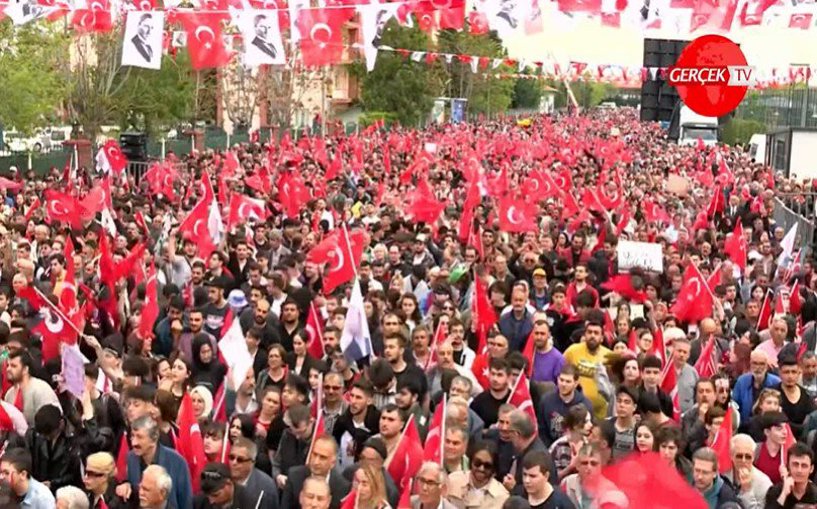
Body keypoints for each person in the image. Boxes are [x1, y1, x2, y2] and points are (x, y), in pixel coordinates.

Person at [122, 416, 193, 509]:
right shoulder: (131, 458)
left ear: (154, 439)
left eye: (139, 437)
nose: (134, 443)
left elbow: (186, 503)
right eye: (132, 436)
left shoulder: (177, 462)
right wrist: (126, 484)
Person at [281, 435, 351, 509]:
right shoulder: (294, 477)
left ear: (332, 463)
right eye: (314, 454)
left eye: (322, 457)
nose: (316, 462)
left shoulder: (343, 487)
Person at [563, 319, 611, 420]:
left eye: (596, 333)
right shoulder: (572, 351)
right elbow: (562, 372)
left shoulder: (609, 356)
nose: (592, 335)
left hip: (601, 413)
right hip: (576, 409)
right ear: (585, 335)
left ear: (602, 338)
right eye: (589, 332)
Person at [539, 364, 592, 447]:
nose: (563, 384)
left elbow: (588, 433)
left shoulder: (585, 404)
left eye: (568, 381)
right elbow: (542, 431)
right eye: (561, 380)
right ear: (557, 379)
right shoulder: (546, 401)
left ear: (576, 383)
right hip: (551, 449)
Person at [4, 350, 60, 426]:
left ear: (25, 369)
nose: (8, 369)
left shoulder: (41, 389)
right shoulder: (9, 395)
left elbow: (54, 420)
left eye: (13, 366)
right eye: (8, 365)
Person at [447, 441, 509, 509]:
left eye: (487, 466)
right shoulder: (452, 480)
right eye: (477, 463)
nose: (481, 469)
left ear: (494, 468)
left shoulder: (502, 496)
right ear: (471, 461)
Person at [722, 434, 772, 509]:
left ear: (753, 457)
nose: (743, 461)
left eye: (748, 457)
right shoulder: (723, 474)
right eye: (739, 456)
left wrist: (747, 491)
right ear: (731, 455)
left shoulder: (763, 482)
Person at [228, 437, 279, 509]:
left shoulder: (266, 487)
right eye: (231, 457)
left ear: (252, 463)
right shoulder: (223, 478)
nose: (234, 463)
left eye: (240, 460)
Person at [732, 350, 780, 425]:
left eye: (762, 364)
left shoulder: (776, 382)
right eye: (755, 363)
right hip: (745, 427)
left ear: (767, 366)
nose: (758, 367)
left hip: (768, 426)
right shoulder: (742, 381)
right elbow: (735, 406)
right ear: (750, 364)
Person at [765, 442, 817, 508]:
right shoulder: (775, 492)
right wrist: (783, 494)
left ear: (811, 469)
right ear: (788, 466)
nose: (799, 470)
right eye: (795, 464)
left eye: (804, 466)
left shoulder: (815, 495)